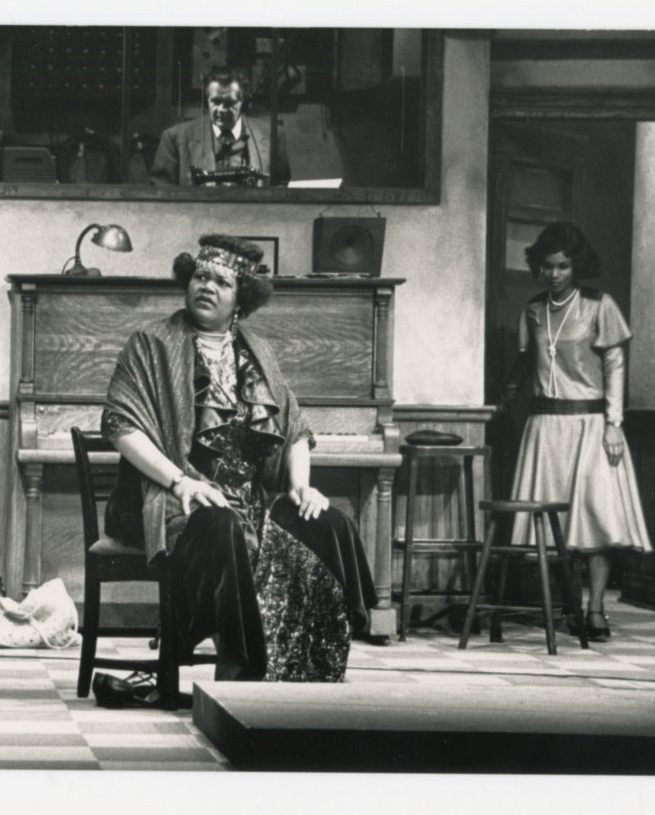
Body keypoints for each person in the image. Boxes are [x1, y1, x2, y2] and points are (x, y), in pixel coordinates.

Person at [100, 234, 375, 686]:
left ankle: (307, 670)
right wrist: (180, 482)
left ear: (240, 300)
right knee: (220, 525)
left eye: (221, 282)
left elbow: (294, 428)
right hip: (170, 496)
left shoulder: (257, 351)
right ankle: (242, 672)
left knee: (328, 523)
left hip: (250, 501)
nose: (206, 287)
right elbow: (120, 425)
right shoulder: (150, 343)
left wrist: (301, 486)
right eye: (200, 276)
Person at [500, 221, 650, 642]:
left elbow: (615, 366)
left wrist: (614, 424)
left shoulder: (600, 305)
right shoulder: (533, 310)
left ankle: (596, 608)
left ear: (576, 266)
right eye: (548, 266)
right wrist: (507, 394)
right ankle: (567, 605)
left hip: (591, 425)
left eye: (563, 266)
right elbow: (528, 362)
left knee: (596, 520)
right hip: (546, 427)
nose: (554, 274)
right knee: (556, 528)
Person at [149, 67, 290, 188]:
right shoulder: (175, 138)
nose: (222, 109)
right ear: (207, 101)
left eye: (229, 102)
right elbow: (161, 193)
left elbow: (282, 188)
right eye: (215, 101)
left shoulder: (273, 135)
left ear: (244, 102)